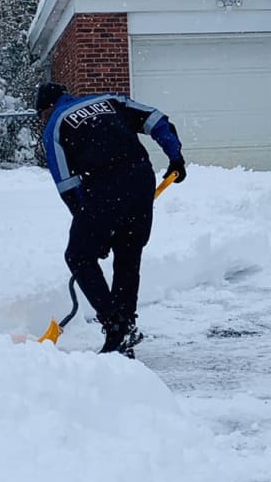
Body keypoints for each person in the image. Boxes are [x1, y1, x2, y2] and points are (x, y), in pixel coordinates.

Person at [36, 81, 186, 357]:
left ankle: (115, 325)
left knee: (79, 256)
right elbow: (155, 118)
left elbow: (67, 184)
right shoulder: (109, 100)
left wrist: (89, 224)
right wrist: (175, 156)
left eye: (41, 115)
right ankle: (126, 327)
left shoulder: (55, 124)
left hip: (104, 186)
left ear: (46, 109)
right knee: (128, 255)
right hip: (140, 176)